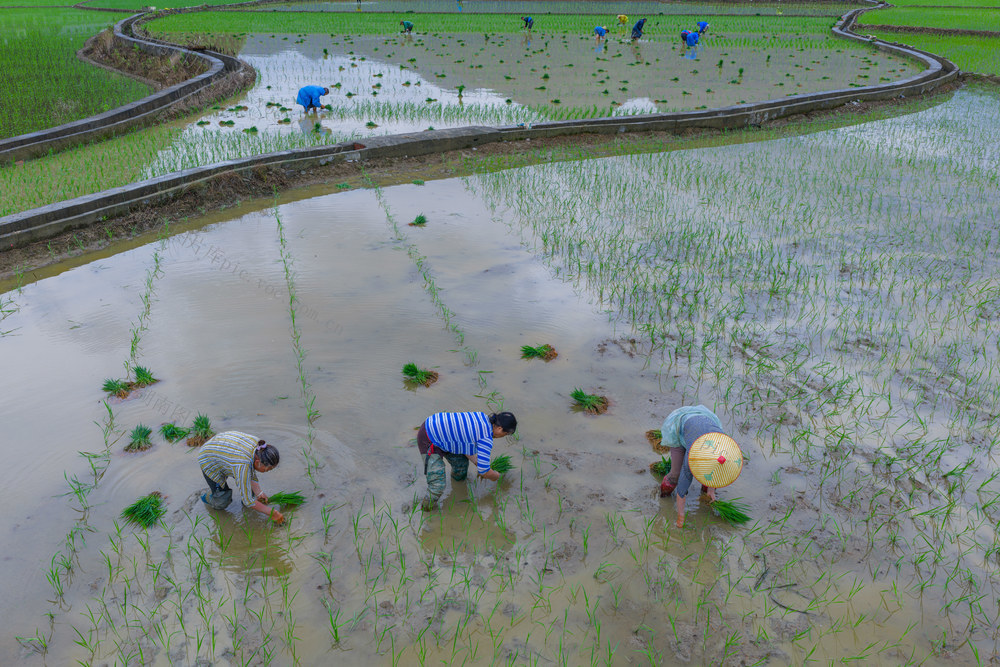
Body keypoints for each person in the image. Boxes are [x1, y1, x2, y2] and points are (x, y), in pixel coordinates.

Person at [657, 406, 742, 527]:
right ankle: (663, 497)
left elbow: (717, 469)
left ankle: (706, 492)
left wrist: (711, 491)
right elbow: (682, 491)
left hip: (705, 420)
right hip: (682, 424)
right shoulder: (693, 457)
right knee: (675, 475)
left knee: (709, 480)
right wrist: (680, 518)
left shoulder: (724, 445)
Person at [417, 410, 517, 509]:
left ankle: (458, 488)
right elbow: (483, 471)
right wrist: (496, 476)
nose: (503, 436)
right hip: (428, 437)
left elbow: (465, 442)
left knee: (461, 465)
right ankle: (426, 510)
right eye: (506, 434)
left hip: (443, 433)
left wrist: (477, 462)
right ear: (500, 429)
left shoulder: (482, 417)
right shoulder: (486, 438)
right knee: (437, 485)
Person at [198, 431, 284, 524]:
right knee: (222, 500)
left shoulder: (260, 448)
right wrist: (272, 513)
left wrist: (259, 492)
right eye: (268, 469)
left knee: (250, 490)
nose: (268, 471)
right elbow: (248, 501)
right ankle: (207, 496)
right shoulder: (242, 465)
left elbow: (249, 471)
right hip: (208, 459)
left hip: (225, 452)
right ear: (257, 462)